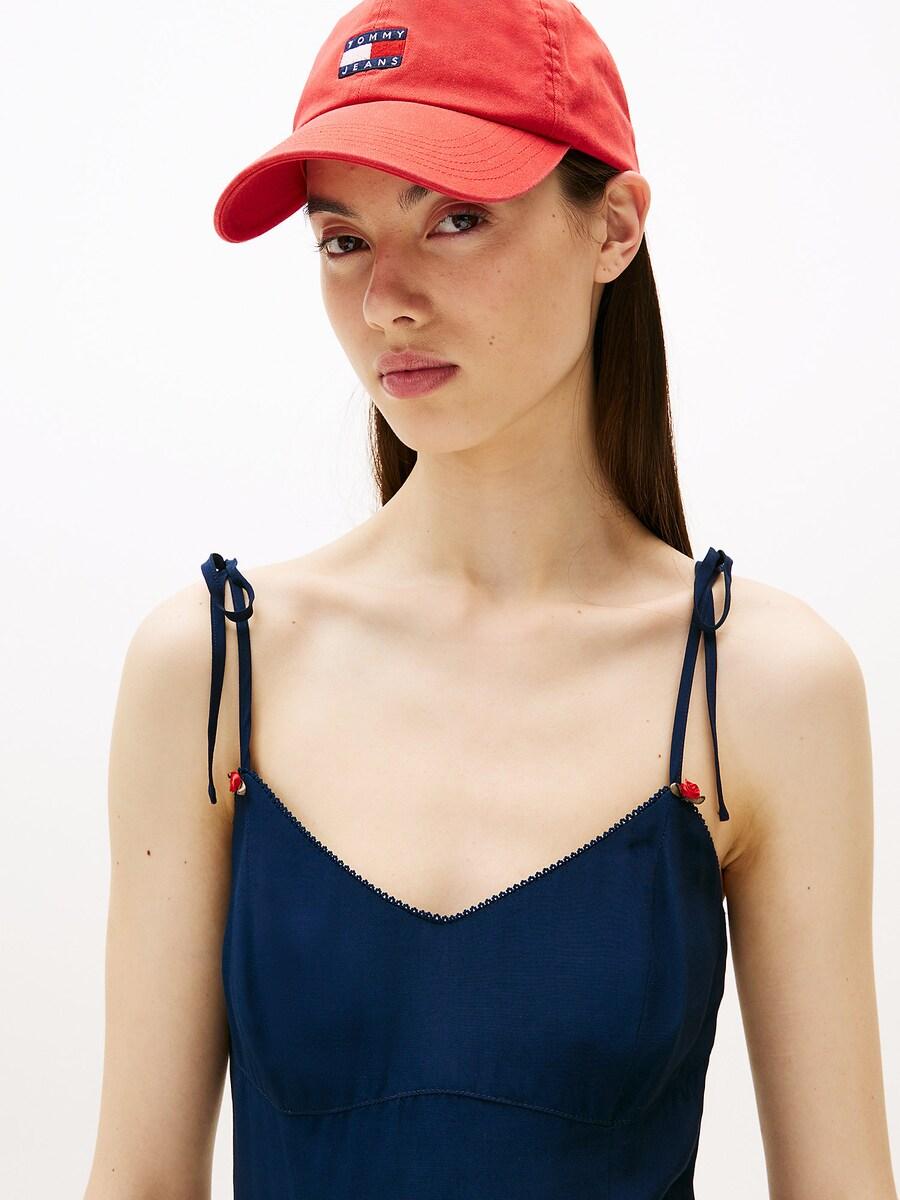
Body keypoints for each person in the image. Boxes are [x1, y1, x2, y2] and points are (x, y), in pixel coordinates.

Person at [83, 1, 898, 1197]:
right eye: (342, 239)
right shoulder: (213, 670)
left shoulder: (760, 687)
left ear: (613, 225)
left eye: (456, 219)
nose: (387, 300)